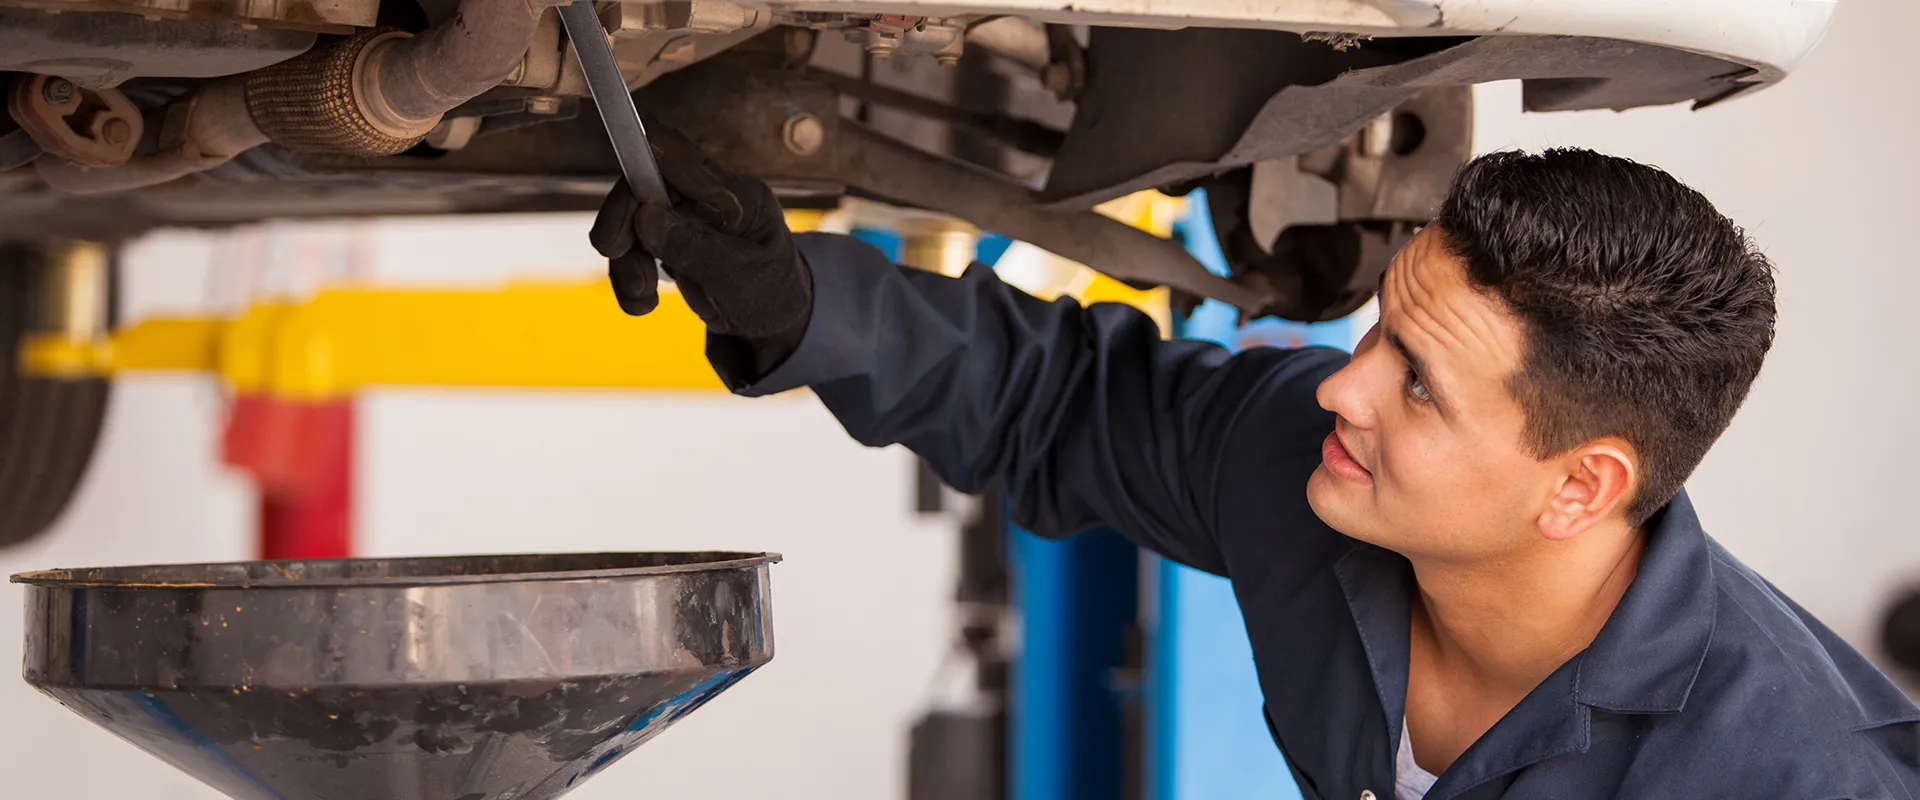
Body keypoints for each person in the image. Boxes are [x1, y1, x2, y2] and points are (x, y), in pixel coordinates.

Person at [590, 132, 1920, 799]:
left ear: (1581, 486)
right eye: (1380, 329)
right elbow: (1056, 402)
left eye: (1417, 381)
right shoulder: (1322, 468)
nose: (1340, 385)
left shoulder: (1792, 776)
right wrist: (794, 302)